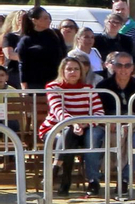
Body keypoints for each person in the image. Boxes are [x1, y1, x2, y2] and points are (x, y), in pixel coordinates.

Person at [40, 55, 105, 196]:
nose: (73, 72)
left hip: (81, 129)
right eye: (69, 69)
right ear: (62, 71)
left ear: (82, 72)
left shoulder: (88, 89)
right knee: (69, 133)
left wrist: (83, 124)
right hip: (54, 129)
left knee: (71, 137)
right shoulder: (53, 87)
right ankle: (63, 180)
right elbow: (58, 110)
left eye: (76, 69)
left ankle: (57, 170)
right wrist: (74, 124)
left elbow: (99, 112)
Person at [100, 53, 135, 196]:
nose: (123, 69)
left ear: (133, 68)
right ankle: (94, 179)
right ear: (113, 67)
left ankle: (124, 178)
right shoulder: (103, 86)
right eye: (119, 65)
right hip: (109, 124)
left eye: (127, 65)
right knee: (95, 136)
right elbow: (98, 112)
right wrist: (109, 123)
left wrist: (129, 124)